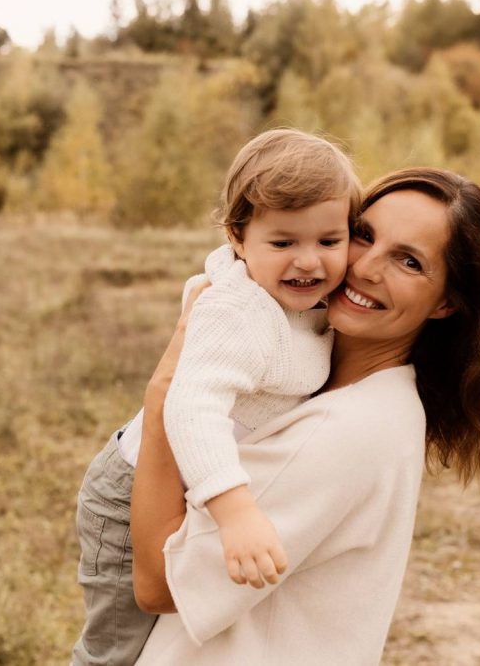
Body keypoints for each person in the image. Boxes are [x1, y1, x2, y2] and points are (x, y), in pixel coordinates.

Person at [129, 167, 480, 664]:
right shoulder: (315, 377)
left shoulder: (344, 431)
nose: (365, 267)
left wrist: (163, 397)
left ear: (446, 302)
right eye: (363, 235)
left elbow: (157, 584)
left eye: (409, 261)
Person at [71, 128, 362, 666]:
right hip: (132, 492)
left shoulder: (310, 303)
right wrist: (237, 514)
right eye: (282, 243)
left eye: (328, 241)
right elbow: (190, 406)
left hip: (190, 484)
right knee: (118, 649)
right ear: (237, 237)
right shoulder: (237, 310)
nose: (308, 262)